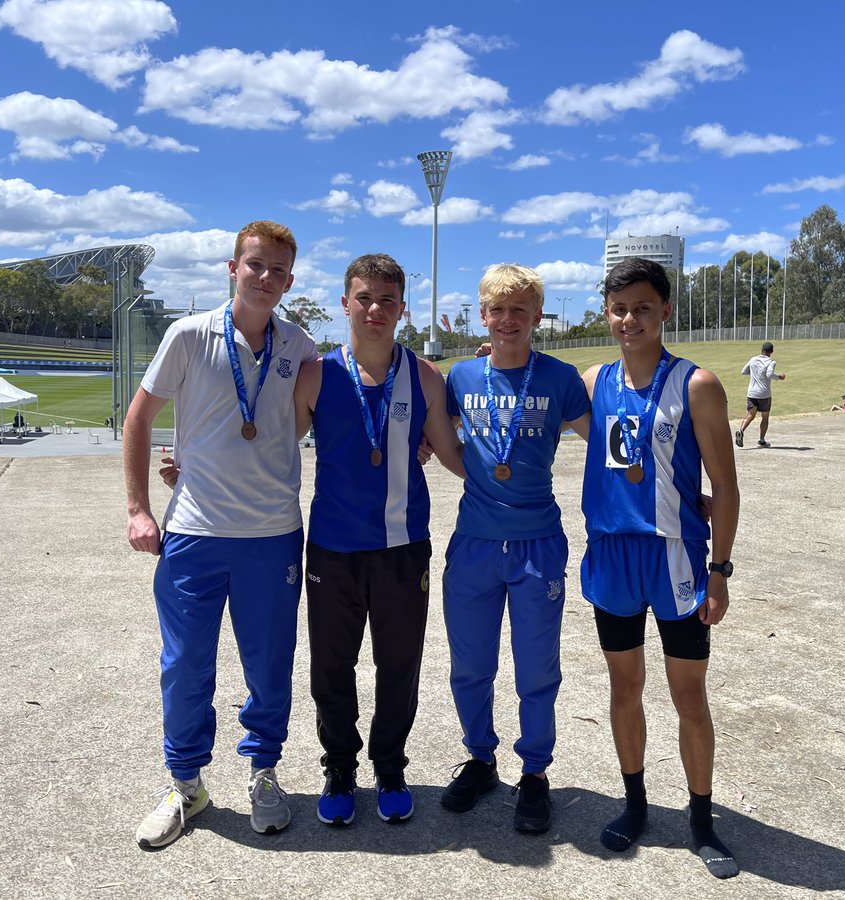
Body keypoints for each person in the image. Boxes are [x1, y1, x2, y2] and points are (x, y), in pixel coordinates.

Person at [122, 220, 318, 849]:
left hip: (272, 535)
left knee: (269, 667)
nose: (267, 278)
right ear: (233, 268)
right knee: (184, 667)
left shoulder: (300, 346)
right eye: (255, 265)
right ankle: (187, 785)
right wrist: (139, 508)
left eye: (279, 270)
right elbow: (139, 419)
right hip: (195, 533)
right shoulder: (188, 335)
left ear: (290, 280)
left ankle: (264, 774)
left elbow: (328, 416)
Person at [580, 257, 741, 878]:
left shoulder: (697, 384)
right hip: (613, 557)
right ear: (607, 313)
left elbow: (724, 486)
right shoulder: (594, 382)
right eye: (620, 309)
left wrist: (720, 570)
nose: (630, 319)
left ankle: (701, 819)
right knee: (625, 687)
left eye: (643, 307)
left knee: (688, 694)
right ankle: (636, 804)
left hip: (675, 558)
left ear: (665, 309)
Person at [292, 254, 464, 827]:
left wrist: (527, 445)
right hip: (332, 551)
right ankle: (340, 767)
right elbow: (268, 447)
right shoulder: (316, 374)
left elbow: (455, 456)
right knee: (331, 667)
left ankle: (389, 766)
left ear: (402, 309)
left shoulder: (424, 376)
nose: (375, 309)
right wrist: (191, 465)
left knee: (399, 665)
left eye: (387, 300)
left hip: (402, 548)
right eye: (364, 298)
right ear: (345, 303)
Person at [439, 264, 590, 835]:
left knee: (536, 668)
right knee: (471, 665)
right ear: (483, 315)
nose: (507, 321)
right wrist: (448, 460)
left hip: (537, 545)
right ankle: (480, 759)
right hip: (474, 542)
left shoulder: (559, 378)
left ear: (536, 318)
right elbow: (432, 428)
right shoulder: (461, 376)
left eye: (520, 311)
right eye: (498, 311)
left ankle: (534, 773)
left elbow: (607, 440)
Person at [735, 341, 784, 448]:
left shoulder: (753, 359)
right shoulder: (771, 362)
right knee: (765, 417)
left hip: (752, 393)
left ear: (761, 350)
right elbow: (769, 374)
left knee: (750, 415)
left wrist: (754, 373)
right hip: (764, 394)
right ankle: (761, 441)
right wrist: (780, 377)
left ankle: (741, 430)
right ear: (771, 352)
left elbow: (743, 371)